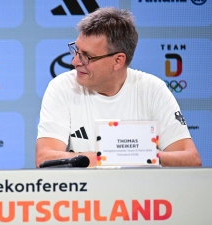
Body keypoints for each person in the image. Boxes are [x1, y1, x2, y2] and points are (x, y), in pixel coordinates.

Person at [36, 7, 201, 167]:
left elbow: (190, 159)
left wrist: (141, 156)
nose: (75, 62)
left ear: (118, 61)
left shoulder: (153, 89)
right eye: (76, 51)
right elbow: (44, 158)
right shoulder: (62, 87)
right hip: (87, 194)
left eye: (86, 56)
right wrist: (117, 156)